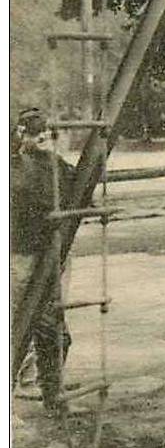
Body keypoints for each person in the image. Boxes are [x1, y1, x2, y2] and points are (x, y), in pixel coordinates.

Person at [11, 106, 73, 415]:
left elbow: (80, 184)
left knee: (53, 330)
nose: (43, 137)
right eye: (37, 132)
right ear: (21, 133)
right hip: (18, 256)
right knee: (15, 328)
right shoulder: (12, 166)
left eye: (45, 132)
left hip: (45, 256)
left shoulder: (54, 164)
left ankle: (51, 393)